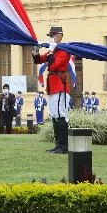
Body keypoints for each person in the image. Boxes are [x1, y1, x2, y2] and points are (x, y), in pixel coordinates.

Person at [32, 25, 73, 154]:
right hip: (52, 86)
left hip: (60, 86)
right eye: (50, 36)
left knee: (61, 115)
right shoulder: (53, 50)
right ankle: (58, 144)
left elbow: (54, 65)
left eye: (53, 36)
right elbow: (39, 60)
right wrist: (36, 51)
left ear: (60, 36)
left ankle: (64, 146)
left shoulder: (63, 51)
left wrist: (50, 51)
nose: (51, 38)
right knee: (54, 116)